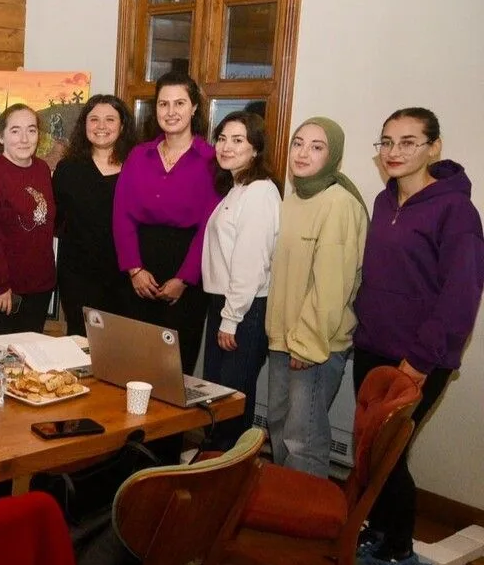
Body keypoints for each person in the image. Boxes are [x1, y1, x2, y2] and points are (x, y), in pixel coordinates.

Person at [350, 108, 484, 565]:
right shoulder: (385, 200)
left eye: (408, 142)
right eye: (386, 142)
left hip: (418, 358)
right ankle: (380, 530)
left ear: (434, 147)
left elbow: (461, 296)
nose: (394, 152)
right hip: (373, 346)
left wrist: (421, 360)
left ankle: (399, 552)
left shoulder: (457, 212)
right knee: (371, 451)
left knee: (390, 452)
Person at [265, 117, 368, 479]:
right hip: (283, 339)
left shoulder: (339, 204)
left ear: (333, 155)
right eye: (298, 143)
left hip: (315, 347)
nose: (303, 153)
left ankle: (304, 512)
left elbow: (332, 285)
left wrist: (307, 345)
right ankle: (281, 503)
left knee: (303, 441)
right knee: (279, 427)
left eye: (317, 146)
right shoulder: (293, 200)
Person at [112, 71, 219, 373]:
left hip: (187, 271)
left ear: (194, 108)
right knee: (133, 364)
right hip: (139, 270)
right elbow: (122, 214)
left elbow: (209, 227)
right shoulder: (138, 155)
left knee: (173, 367)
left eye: (179, 103)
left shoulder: (211, 160)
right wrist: (134, 270)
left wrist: (183, 279)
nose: (171, 112)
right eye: (163, 104)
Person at [199, 112, 281, 451]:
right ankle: (217, 465)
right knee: (218, 398)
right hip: (226, 304)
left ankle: (230, 469)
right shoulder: (236, 189)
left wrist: (231, 318)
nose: (226, 147)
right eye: (221, 139)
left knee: (231, 403)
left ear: (256, 149)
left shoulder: (259, 192)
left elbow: (250, 264)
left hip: (243, 310)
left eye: (238, 140)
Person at [52, 95, 136, 336]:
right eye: (94, 119)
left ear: (122, 126)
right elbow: (56, 219)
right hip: (78, 276)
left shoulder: (137, 168)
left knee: (120, 344)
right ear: (84, 124)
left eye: (110, 119)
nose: (101, 126)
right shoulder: (67, 169)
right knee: (81, 342)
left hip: (126, 277)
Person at [0, 103, 56, 336]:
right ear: (1, 136)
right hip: (7, 291)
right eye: (15, 131)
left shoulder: (42, 169)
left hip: (41, 285)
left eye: (31, 130)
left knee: (32, 354)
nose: (24, 139)